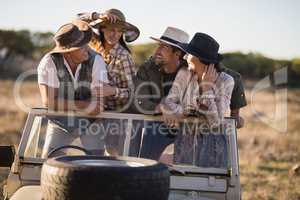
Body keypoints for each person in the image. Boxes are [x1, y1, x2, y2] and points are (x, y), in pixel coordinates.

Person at [38, 20, 108, 157]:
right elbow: (49, 102)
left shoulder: (96, 60)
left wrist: (63, 104)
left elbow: (98, 106)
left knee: (98, 164)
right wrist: (84, 105)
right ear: (68, 52)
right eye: (81, 47)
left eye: (85, 44)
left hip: (90, 122)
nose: (87, 49)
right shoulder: (49, 62)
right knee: (48, 162)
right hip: (61, 122)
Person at [163, 32, 234, 167]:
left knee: (208, 184)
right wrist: (185, 111)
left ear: (200, 58)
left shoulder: (226, 81)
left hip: (214, 146)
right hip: (185, 142)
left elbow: (215, 122)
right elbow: (169, 102)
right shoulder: (184, 74)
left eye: (189, 54)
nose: (185, 56)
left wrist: (207, 89)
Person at [129, 27, 189, 158]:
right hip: (154, 127)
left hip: (185, 126)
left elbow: (229, 76)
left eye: (164, 48)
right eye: (159, 46)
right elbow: (137, 100)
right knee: (144, 134)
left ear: (177, 54)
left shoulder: (191, 70)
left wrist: (235, 110)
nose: (157, 51)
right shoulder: (147, 68)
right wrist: (161, 107)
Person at [78, 8, 139, 112]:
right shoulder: (96, 44)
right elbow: (77, 21)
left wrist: (113, 91)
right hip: (93, 108)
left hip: (116, 115)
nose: (116, 35)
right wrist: (97, 16)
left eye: (119, 31)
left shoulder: (123, 56)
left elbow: (134, 94)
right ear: (102, 28)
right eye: (112, 29)